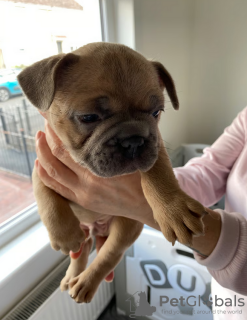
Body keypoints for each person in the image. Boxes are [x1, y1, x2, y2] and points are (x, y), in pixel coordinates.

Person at [35, 106, 247, 319]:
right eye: (89, 117)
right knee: (75, 231)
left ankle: (96, 269)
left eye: (155, 113)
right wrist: (148, 191)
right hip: (228, 303)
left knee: (119, 235)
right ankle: (79, 260)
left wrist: (137, 202)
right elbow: (209, 171)